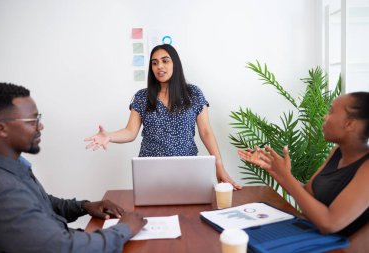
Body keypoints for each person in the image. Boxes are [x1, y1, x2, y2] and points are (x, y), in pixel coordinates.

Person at [0, 82, 147, 253]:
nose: (40, 126)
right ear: (1, 128)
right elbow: (64, 247)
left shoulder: (13, 166)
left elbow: (42, 203)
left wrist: (84, 206)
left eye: (38, 118)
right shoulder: (1, 190)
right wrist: (125, 229)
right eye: (32, 120)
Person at [85, 44, 241, 190]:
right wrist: (109, 136)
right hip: (150, 170)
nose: (159, 66)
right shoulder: (142, 96)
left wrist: (219, 165)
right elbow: (130, 132)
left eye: (165, 61)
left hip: (187, 169)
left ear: (175, 64)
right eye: (154, 63)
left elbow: (206, 131)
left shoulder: (193, 93)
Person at [238, 92, 369, 236]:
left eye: (331, 111)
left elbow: (329, 223)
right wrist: (277, 171)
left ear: (349, 124)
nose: (324, 117)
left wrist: (286, 176)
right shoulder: (337, 152)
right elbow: (307, 195)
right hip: (311, 235)